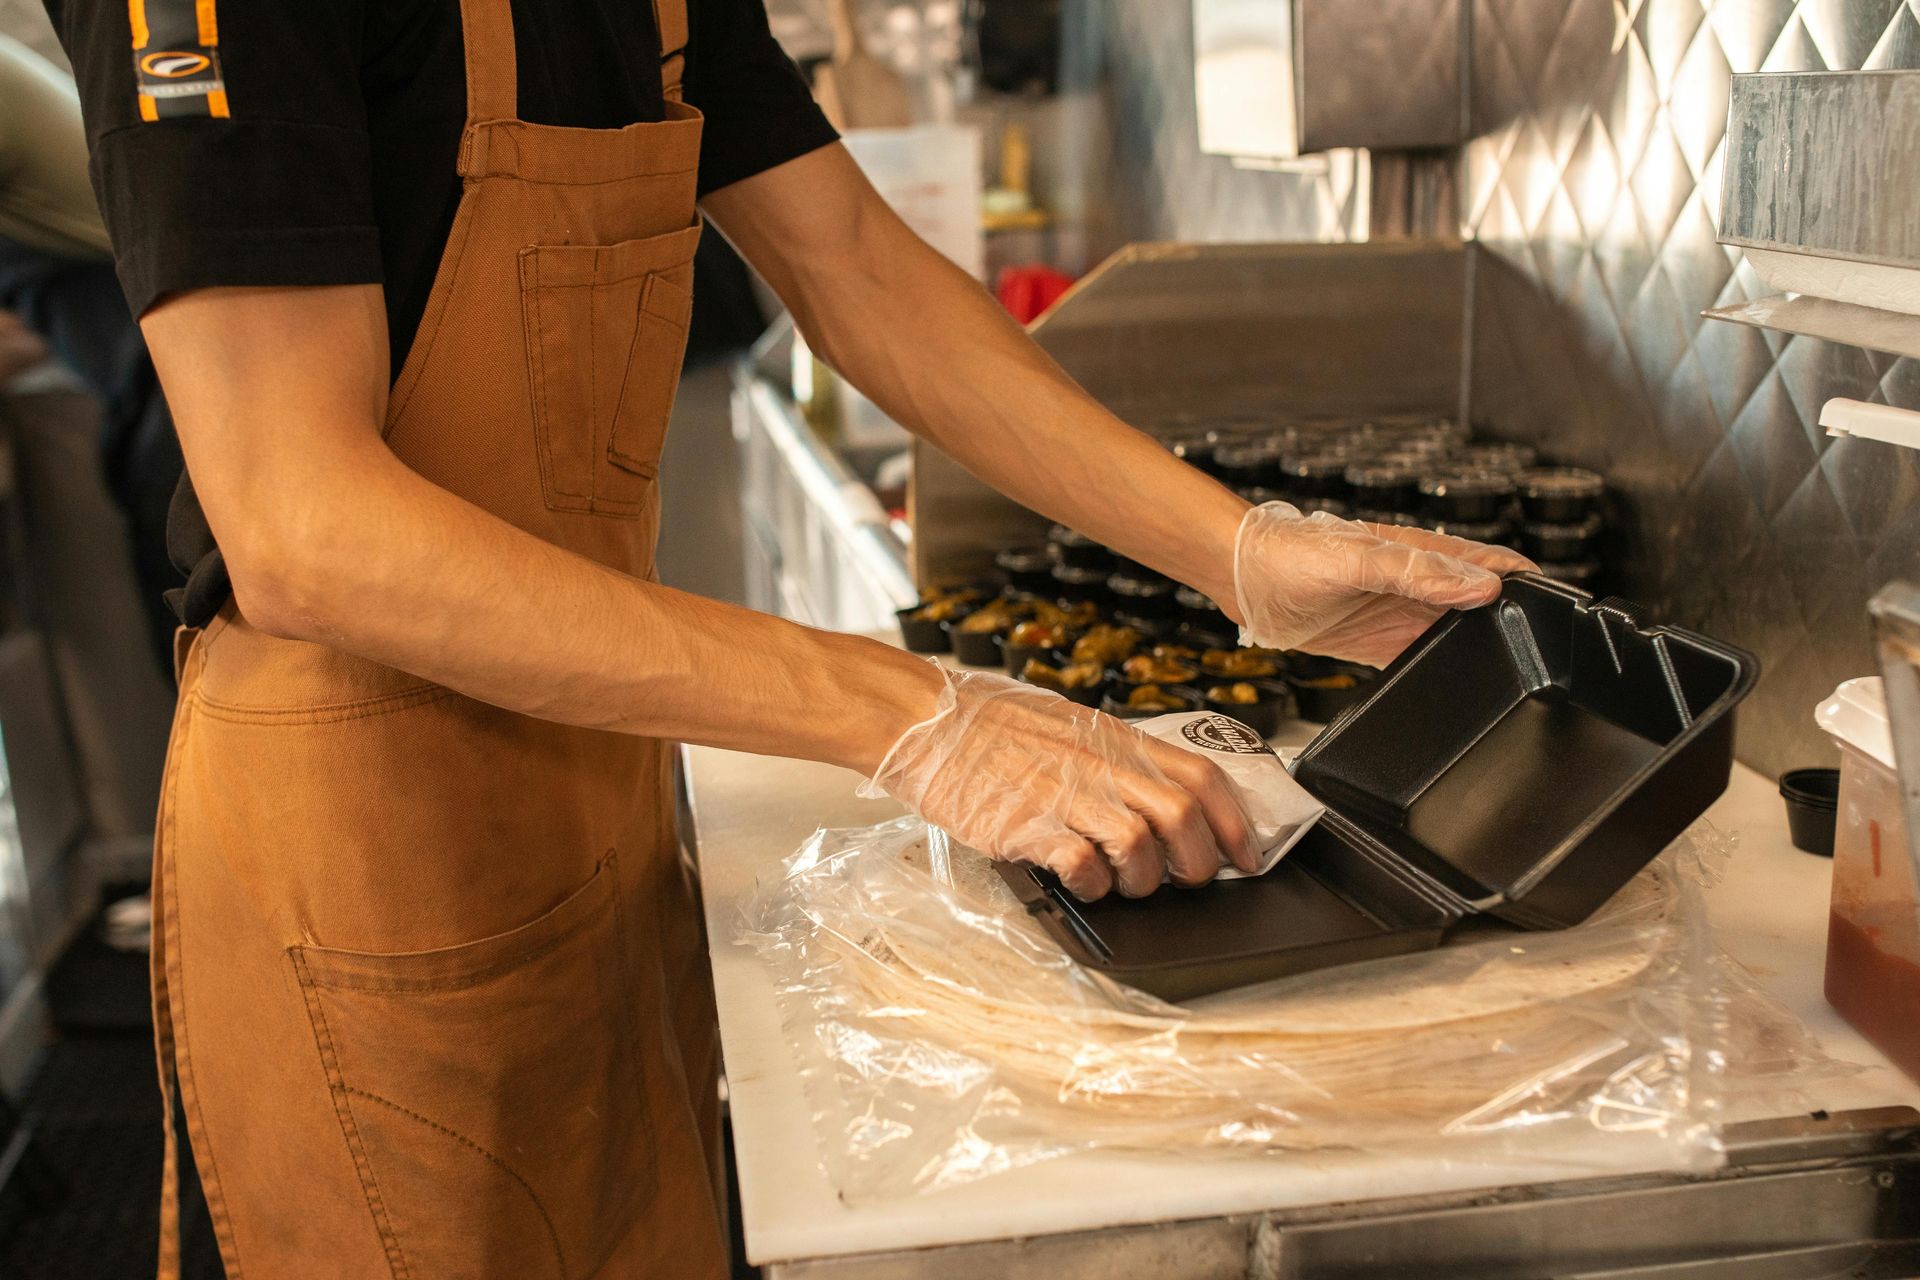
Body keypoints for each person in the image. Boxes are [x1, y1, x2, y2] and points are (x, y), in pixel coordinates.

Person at [42, 0, 1532, 1274]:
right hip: (365, 850)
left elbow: (857, 272)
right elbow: (303, 524)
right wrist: (915, 713)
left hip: (599, 784)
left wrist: (1242, 553)